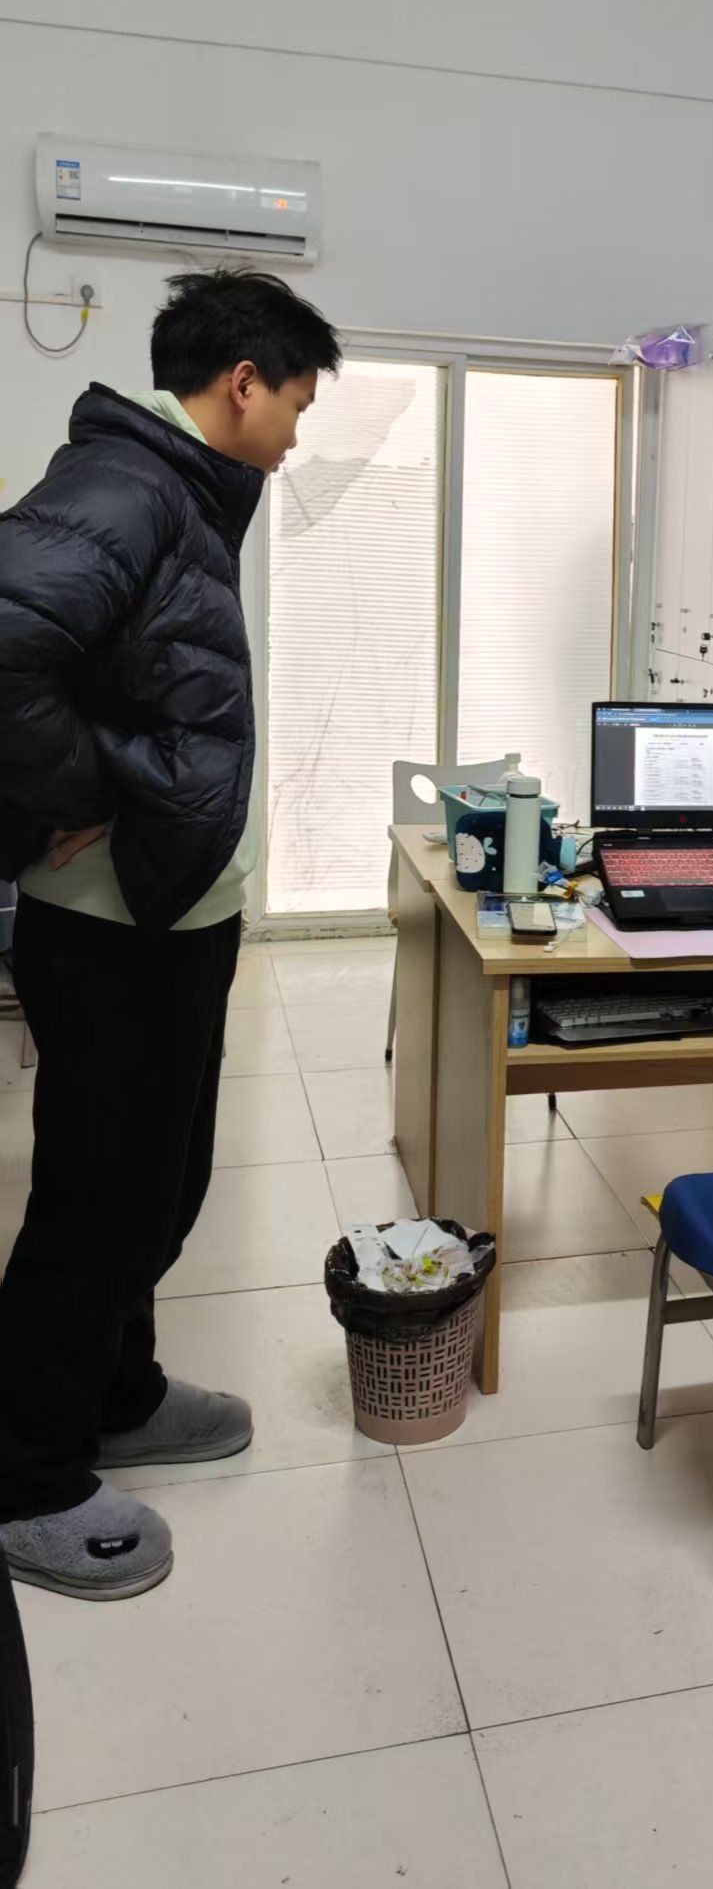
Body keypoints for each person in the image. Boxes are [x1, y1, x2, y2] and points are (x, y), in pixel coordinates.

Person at [0, 268, 341, 1599]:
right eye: (297, 402)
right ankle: (27, 1472)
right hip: (109, 923)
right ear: (242, 384)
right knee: (100, 1197)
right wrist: (81, 790)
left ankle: (118, 1393)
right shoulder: (125, 485)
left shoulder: (180, 488)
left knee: (158, 1179)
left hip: (170, 908)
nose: (298, 434)